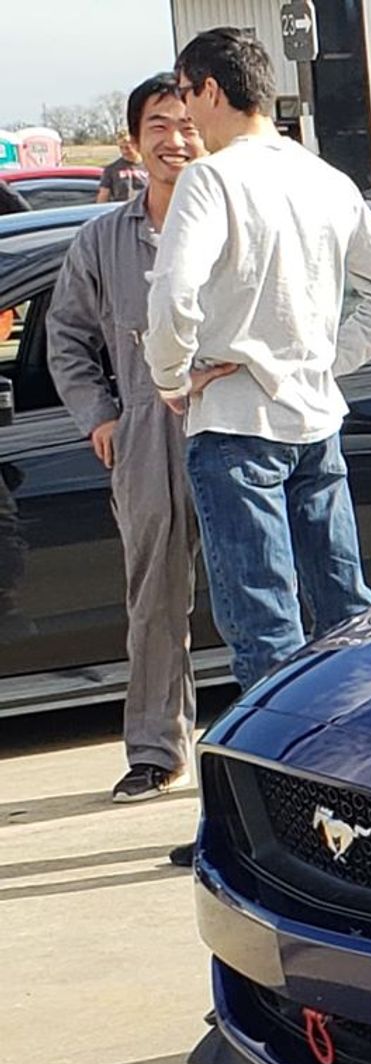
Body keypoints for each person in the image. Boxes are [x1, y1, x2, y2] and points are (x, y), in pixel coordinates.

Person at [144, 27, 371, 694]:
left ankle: (283, 757)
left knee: (265, 627)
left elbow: (175, 292)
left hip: (236, 423)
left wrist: (171, 376)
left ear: (212, 90)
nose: (186, 112)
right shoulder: (325, 178)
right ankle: (365, 739)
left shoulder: (211, 178)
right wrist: (325, 358)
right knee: (347, 613)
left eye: (186, 94)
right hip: (316, 422)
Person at [47, 73, 204, 803]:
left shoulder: (235, 220)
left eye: (187, 125)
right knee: (155, 598)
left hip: (238, 418)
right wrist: (100, 416)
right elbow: (67, 337)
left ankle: (286, 751)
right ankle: (156, 750)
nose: (176, 140)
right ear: (133, 144)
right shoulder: (102, 240)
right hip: (146, 430)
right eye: (158, 127)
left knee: (262, 591)